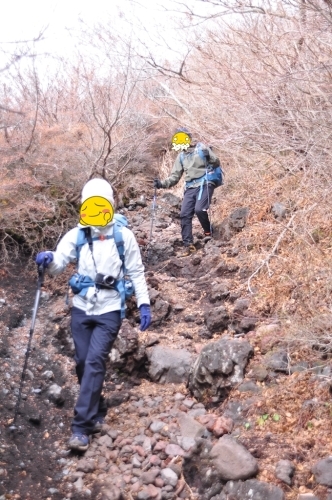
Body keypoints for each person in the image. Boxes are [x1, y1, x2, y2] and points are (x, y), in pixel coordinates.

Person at [35, 178, 151, 451]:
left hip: (110, 308)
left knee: (95, 362)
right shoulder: (76, 235)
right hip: (82, 307)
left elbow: (136, 272)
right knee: (82, 362)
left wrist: (144, 303)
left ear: (111, 204)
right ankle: (96, 407)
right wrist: (48, 259)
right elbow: (60, 263)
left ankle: (80, 428)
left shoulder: (124, 236)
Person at [154, 128, 221, 256]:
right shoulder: (181, 156)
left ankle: (208, 232)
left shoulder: (201, 148)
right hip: (190, 187)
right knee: (184, 214)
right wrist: (161, 184)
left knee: (199, 209)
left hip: (206, 182)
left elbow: (216, 162)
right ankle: (188, 245)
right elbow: (175, 177)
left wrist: (209, 155)